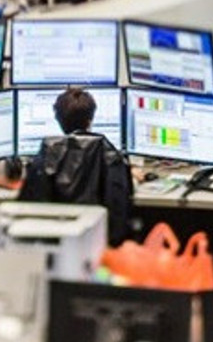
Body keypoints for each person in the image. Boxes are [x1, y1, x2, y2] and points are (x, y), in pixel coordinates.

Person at [18, 87, 133, 245]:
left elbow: (26, 205)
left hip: (54, 245)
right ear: (91, 119)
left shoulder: (46, 155)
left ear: (58, 119)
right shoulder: (111, 156)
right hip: (100, 245)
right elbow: (122, 207)